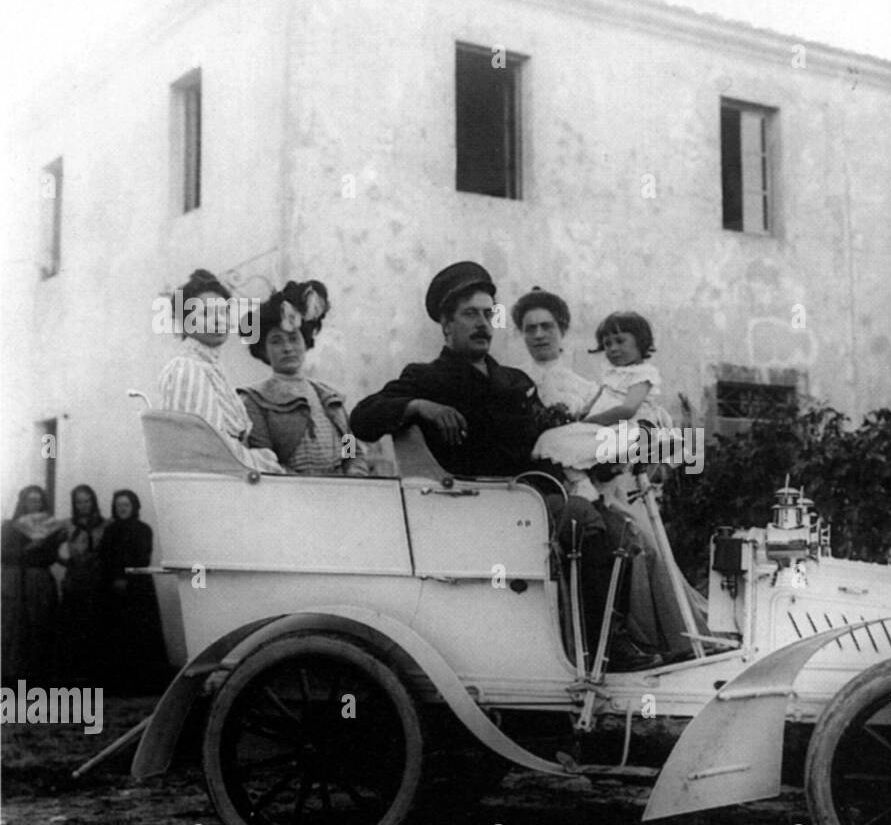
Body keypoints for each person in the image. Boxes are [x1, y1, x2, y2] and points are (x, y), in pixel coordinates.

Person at [350, 261, 657, 670]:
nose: (482, 324)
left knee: (620, 527)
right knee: (584, 520)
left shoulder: (514, 381)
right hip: (480, 506)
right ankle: (602, 652)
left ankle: (605, 638)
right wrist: (419, 405)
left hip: (533, 496)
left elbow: (547, 440)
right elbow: (363, 418)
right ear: (446, 325)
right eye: (469, 314)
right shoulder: (428, 377)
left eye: (487, 314)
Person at [532, 310, 674, 498]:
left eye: (620, 341)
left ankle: (585, 483)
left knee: (557, 441)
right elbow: (599, 398)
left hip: (628, 430)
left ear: (640, 342)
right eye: (607, 344)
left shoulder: (643, 373)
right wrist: (580, 415)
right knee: (554, 441)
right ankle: (583, 482)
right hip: (608, 427)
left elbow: (628, 409)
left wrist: (590, 422)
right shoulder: (613, 374)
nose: (613, 348)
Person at [238, 280, 371, 476]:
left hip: (342, 495)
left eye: (293, 338)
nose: (287, 348)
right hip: (289, 497)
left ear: (305, 342)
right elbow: (263, 460)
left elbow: (351, 450)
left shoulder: (330, 398)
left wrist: (354, 475)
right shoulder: (254, 400)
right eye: (276, 341)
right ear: (263, 351)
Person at [157, 268, 284, 473]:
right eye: (206, 313)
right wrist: (267, 464)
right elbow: (208, 450)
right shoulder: (187, 368)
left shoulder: (211, 368)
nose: (218, 321)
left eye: (223, 312)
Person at [100, 490, 170, 695]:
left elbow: (142, 556)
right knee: (118, 634)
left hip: (138, 588)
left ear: (134, 507)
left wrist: (125, 577)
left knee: (141, 634)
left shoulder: (143, 529)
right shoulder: (110, 530)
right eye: (118, 505)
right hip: (114, 589)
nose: (122, 509)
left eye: (126, 505)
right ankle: (119, 683)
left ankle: (143, 683)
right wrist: (115, 578)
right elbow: (105, 557)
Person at [1, 486, 63, 684]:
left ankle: (38, 677)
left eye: (38, 501)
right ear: (23, 502)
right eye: (30, 500)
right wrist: (29, 548)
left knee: (40, 624)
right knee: (13, 626)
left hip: (38, 581)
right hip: (14, 580)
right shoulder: (10, 526)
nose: (34, 504)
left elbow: (50, 557)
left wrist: (35, 551)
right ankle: (11, 676)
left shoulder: (50, 526)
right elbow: (4, 554)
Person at [511, 287, 598, 415]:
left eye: (546, 327)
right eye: (530, 329)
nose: (538, 335)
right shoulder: (510, 382)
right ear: (522, 333)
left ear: (563, 330)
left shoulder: (587, 390)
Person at [55, 485, 107, 684]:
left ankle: (96, 675)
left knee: (95, 625)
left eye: (87, 501)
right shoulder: (67, 525)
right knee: (72, 627)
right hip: (74, 581)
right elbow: (51, 547)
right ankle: (74, 676)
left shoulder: (105, 525)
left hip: (98, 580)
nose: (83, 505)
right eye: (79, 501)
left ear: (93, 501)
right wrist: (64, 561)